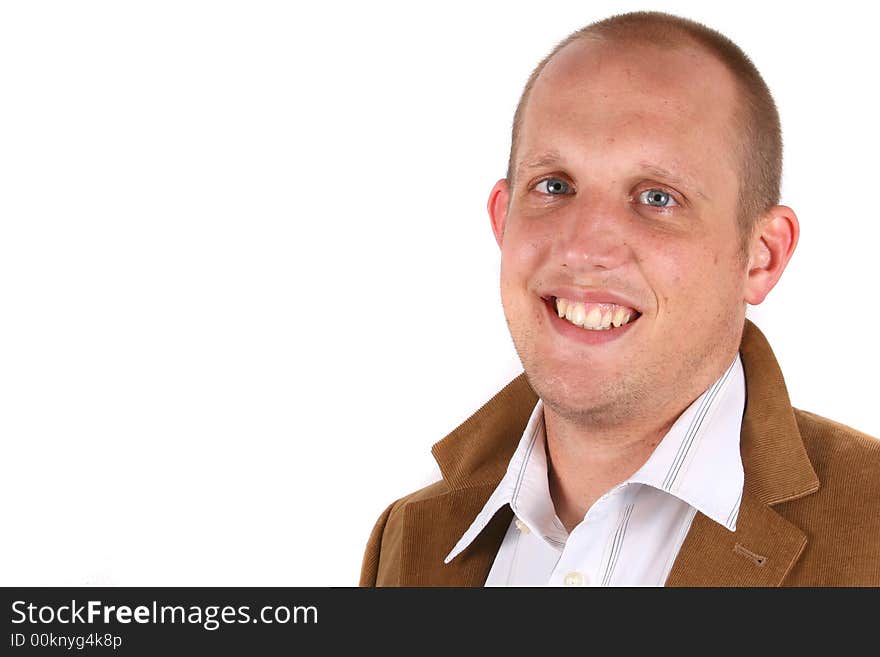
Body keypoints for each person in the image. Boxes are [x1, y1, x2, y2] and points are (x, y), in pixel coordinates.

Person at [359, 10, 880, 586]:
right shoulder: (409, 539)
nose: (583, 248)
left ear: (762, 254)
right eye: (554, 186)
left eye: (657, 197)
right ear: (503, 221)